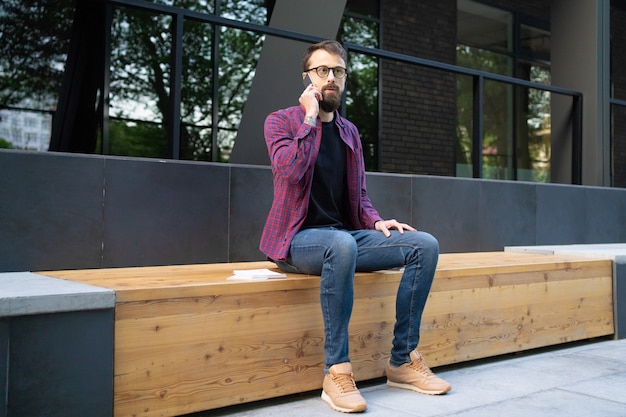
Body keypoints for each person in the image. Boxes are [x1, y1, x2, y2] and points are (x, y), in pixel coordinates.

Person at [260, 39, 451, 413]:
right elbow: (291, 173)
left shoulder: (349, 133)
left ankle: (402, 360)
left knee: (423, 244)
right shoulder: (280, 122)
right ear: (307, 78)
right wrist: (310, 118)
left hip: (342, 239)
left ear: (345, 78)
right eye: (322, 70)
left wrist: (377, 221)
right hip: (297, 241)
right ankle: (336, 371)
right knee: (340, 245)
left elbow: (358, 196)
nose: (331, 77)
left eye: (338, 71)